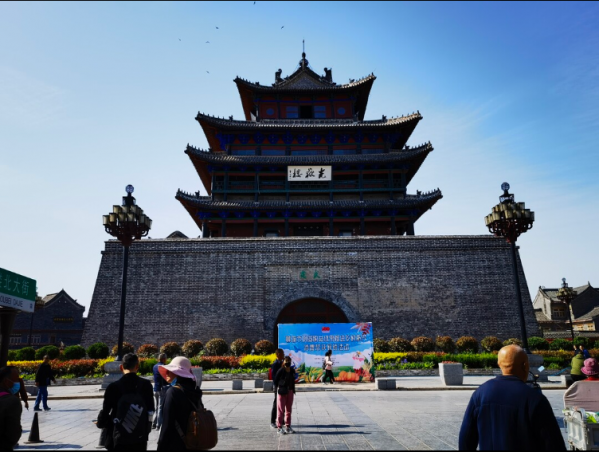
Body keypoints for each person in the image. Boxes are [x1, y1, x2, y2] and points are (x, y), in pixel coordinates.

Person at [458, 345, 565, 450]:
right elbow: (553, 443)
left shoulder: (480, 393)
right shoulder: (534, 398)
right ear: (525, 366)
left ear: (499, 364)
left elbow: (466, 438)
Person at [98, 353, 154, 451]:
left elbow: (105, 413)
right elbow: (151, 410)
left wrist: (102, 423)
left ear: (121, 367)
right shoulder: (146, 385)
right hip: (139, 438)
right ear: (137, 366)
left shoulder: (113, 387)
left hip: (118, 438)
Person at [157, 356, 202, 451]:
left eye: (170, 370)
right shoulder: (195, 391)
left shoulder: (173, 392)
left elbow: (166, 425)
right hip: (193, 443)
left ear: (177, 373)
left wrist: (160, 446)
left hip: (176, 443)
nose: (167, 372)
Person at [0, 366, 23, 451]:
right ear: (6, 381)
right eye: (16, 379)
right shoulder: (11, 401)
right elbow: (13, 433)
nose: (18, 382)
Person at [273, 355, 296, 435]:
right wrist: (277, 388)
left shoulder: (292, 370)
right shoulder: (281, 370)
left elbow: (293, 380)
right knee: (280, 410)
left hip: (290, 391)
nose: (288, 363)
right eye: (286, 362)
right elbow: (275, 381)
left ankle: (288, 426)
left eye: (289, 362)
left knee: (288, 410)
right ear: (284, 362)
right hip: (282, 392)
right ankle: (279, 427)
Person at [270, 348, 284, 429]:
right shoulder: (275, 364)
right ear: (278, 354)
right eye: (282, 353)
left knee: (283, 403)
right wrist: (277, 385)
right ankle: (272, 421)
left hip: (283, 385)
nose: (283, 355)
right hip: (278, 385)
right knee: (276, 403)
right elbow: (274, 376)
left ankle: (282, 420)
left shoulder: (282, 363)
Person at [152, 353, 167, 429]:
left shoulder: (154, 366)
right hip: (162, 388)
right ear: (164, 359)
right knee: (160, 407)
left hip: (155, 388)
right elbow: (166, 378)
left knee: (156, 406)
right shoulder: (163, 367)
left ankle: (154, 423)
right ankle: (159, 424)